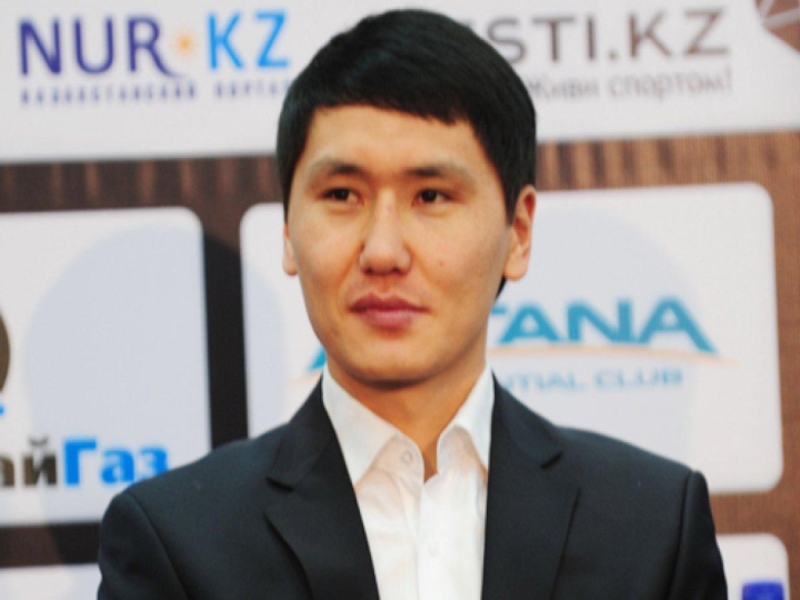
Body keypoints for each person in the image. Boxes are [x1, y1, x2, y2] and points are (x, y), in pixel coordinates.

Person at [98, 9, 727, 599]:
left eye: (431, 196)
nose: (383, 251)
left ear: (518, 232)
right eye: (342, 194)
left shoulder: (652, 525)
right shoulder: (177, 540)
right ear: (288, 231)